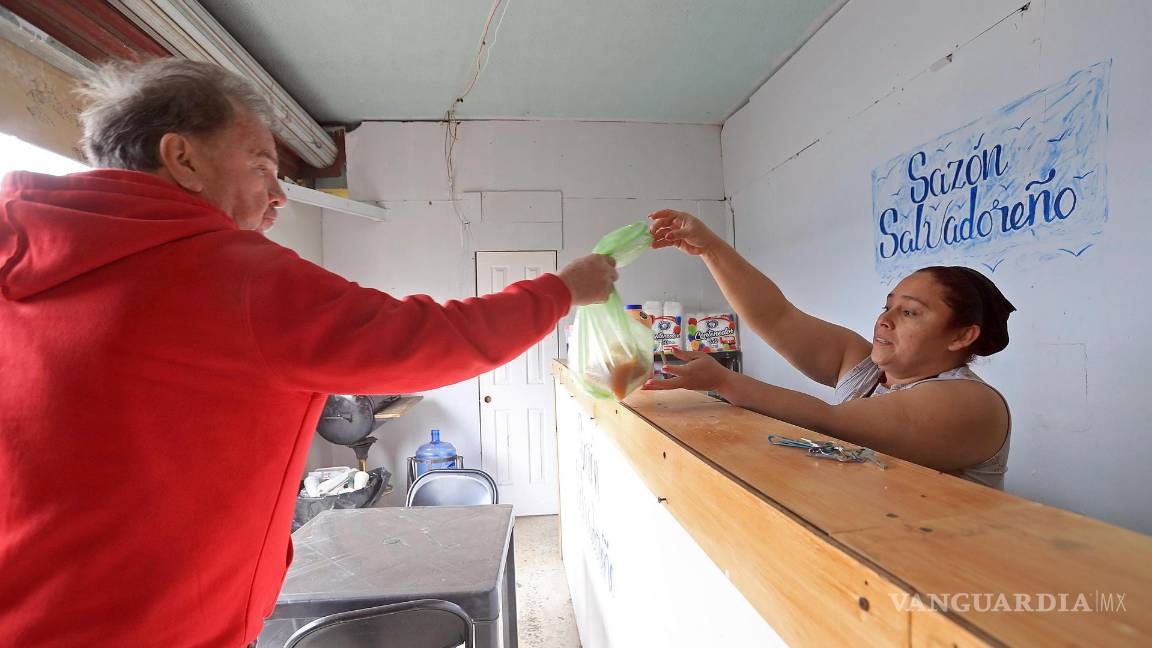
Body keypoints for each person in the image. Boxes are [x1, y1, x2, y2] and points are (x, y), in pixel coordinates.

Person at [0, 58, 617, 647]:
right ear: (182, 157)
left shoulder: (21, 256)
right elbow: (430, 340)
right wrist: (564, 288)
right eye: (262, 166)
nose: (279, 196)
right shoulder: (228, 274)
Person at [645, 209, 1015, 488]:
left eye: (909, 312)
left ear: (961, 337)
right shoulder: (865, 367)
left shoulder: (970, 403)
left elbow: (832, 422)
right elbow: (777, 317)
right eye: (887, 306)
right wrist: (710, 248)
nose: (884, 320)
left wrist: (722, 381)